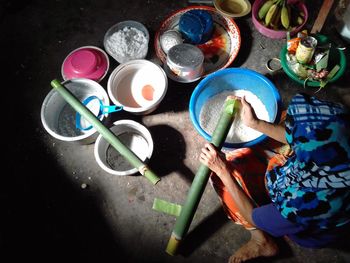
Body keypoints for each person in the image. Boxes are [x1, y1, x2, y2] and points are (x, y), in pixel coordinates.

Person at [199, 93, 350, 263]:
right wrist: (255, 123)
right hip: (313, 176)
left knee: (224, 177)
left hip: (306, 225)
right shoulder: (341, 139)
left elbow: (252, 216)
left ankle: (260, 241)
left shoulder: (303, 203)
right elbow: (304, 138)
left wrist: (222, 170)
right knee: (286, 119)